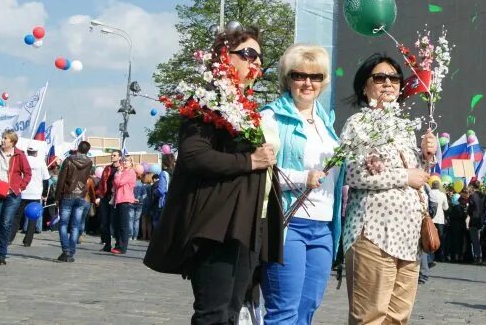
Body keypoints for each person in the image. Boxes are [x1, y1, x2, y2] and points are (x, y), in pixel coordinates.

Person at [144, 27, 283, 325]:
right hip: (218, 224)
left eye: (260, 57)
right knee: (214, 314)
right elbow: (194, 156)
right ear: (224, 57)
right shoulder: (207, 100)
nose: (256, 62)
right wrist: (249, 160)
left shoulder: (246, 108)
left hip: (247, 224)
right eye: (248, 54)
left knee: (233, 313)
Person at [341, 53, 437, 324]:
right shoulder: (358, 124)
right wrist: (404, 176)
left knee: (398, 318)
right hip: (374, 233)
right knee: (370, 317)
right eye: (379, 77)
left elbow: (419, 178)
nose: (388, 83)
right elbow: (353, 173)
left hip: (408, 238)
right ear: (364, 86)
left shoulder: (405, 128)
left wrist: (427, 155)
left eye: (394, 78)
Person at [260, 44, 344, 325]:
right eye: (300, 75)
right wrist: (301, 178)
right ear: (288, 78)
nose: (308, 83)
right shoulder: (270, 117)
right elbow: (262, 170)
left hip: (323, 226)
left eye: (316, 76)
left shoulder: (325, 121)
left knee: (307, 309)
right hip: (288, 223)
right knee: (283, 312)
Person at [0, 130, 32, 265]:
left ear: (13, 142)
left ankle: (2, 254)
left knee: (6, 223)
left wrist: (20, 187)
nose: (3, 140)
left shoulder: (19, 155)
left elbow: (27, 173)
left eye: (6, 139)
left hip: (11, 195)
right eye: (2, 138)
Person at [55, 140, 94, 262]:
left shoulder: (69, 160)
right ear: (87, 150)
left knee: (63, 223)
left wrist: (57, 197)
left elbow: (61, 179)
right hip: (81, 195)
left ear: (78, 148)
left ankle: (66, 250)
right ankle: (71, 252)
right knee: (75, 225)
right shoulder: (89, 162)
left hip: (68, 194)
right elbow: (87, 178)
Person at [12, 145, 48, 246]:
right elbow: (46, 180)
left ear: (27, 152)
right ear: (36, 152)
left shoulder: (22, 159)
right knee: (33, 218)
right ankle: (28, 241)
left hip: (22, 192)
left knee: (17, 217)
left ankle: (10, 238)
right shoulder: (41, 162)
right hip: (35, 194)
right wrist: (44, 194)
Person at [110, 155, 137, 255]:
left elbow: (119, 183)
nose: (124, 162)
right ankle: (117, 244)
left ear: (131, 163)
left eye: (127, 161)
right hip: (117, 200)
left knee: (123, 225)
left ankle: (122, 247)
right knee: (116, 224)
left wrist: (118, 173)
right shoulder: (122, 172)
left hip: (125, 200)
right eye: (123, 160)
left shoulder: (131, 172)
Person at [97, 150, 121, 252]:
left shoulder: (122, 169)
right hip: (106, 198)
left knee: (116, 223)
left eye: (114, 155)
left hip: (116, 198)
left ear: (120, 157)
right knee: (104, 223)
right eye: (112, 155)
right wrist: (100, 195)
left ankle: (118, 244)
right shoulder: (107, 168)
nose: (112, 156)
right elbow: (102, 182)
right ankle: (107, 244)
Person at [428, 178, 448, 261]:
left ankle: (429, 255)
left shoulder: (429, 193)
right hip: (440, 218)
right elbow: (446, 207)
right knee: (440, 238)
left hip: (431, 218)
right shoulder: (442, 194)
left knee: (429, 236)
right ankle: (440, 255)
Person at [467, 182, 485, 265]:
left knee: (475, 240)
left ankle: (477, 256)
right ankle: (480, 255)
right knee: (479, 239)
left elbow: (470, 209)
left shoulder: (472, 196)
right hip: (481, 219)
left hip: (474, 219)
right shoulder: (483, 195)